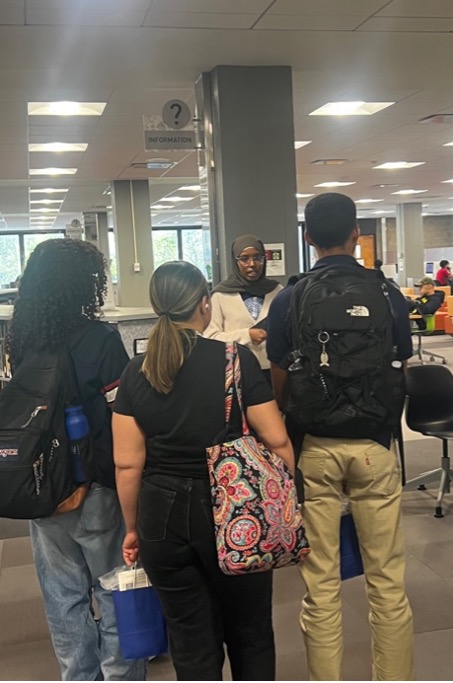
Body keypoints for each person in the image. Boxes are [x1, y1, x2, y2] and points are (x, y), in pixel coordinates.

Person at [113, 260, 294, 681]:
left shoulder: (137, 370)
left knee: (190, 638)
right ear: (204, 304)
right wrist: (283, 500)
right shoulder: (235, 359)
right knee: (250, 632)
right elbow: (277, 440)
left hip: (161, 515)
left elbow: (127, 463)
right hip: (236, 510)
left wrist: (132, 528)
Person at [266, 193, 414, 681]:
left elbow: (280, 375)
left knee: (321, 587)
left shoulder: (288, 299)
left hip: (314, 447)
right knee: (387, 582)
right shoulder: (387, 293)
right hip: (375, 445)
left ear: (308, 237)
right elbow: (402, 359)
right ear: (356, 234)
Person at [6, 238, 146, 682]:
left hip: (42, 486)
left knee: (62, 597)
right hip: (96, 487)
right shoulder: (100, 339)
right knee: (115, 589)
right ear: (86, 284)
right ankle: (120, 676)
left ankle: (78, 676)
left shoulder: (23, 339)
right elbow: (123, 417)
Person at [205, 235, 282, 381]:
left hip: (274, 370)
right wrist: (247, 335)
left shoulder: (277, 291)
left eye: (257, 258)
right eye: (244, 259)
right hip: (237, 371)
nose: (252, 264)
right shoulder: (221, 295)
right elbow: (211, 337)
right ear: (235, 262)